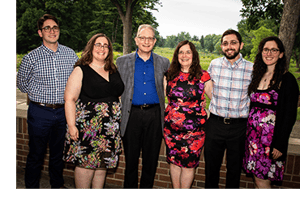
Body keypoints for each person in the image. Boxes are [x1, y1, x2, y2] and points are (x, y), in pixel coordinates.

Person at [17, 14, 79, 189]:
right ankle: (32, 189)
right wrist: (40, 95)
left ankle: (57, 186)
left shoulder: (70, 54)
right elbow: (22, 84)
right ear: (40, 32)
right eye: (47, 28)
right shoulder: (31, 57)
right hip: (40, 113)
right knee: (36, 154)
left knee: (58, 154)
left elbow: (77, 81)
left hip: (63, 112)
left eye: (55, 27)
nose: (52, 31)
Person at [63, 33, 124, 189]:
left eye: (105, 45)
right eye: (98, 44)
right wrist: (71, 126)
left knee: (101, 166)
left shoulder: (112, 69)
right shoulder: (81, 69)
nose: (102, 48)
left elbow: (117, 95)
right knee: (86, 165)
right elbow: (69, 98)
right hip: (88, 129)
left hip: (109, 130)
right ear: (91, 47)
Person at [116, 24, 170, 189]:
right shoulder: (122, 61)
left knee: (151, 161)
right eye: (142, 37)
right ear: (136, 40)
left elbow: (170, 88)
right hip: (131, 115)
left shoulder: (164, 62)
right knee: (131, 161)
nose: (146, 41)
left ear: (154, 41)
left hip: (154, 115)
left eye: (150, 38)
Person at [242, 36, 299, 189]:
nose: (269, 53)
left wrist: (280, 144)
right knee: (256, 178)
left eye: (274, 50)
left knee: (262, 181)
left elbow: (289, 115)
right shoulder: (257, 76)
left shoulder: (287, 80)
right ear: (261, 52)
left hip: (270, 141)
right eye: (266, 50)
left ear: (281, 54)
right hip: (253, 139)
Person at [204, 29, 253, 189]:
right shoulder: (214, 64)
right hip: (215, 124)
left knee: (234, 172)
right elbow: (205, 87)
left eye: (233, 42)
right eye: (225, 43)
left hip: (239, 127)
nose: (229, 46)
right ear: (221, 46)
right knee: (211, 170)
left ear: (241, 45)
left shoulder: (252, 69)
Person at [163, 40, 212, 189]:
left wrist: (206, 112)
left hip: (194, 133)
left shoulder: (203, 76)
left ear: (194, 55)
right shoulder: (169, 75)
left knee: (189, 165)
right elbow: (166, 99)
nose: (184, 55)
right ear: (177, 55)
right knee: (174, 162)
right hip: (171, 131)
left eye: (188, 52)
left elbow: (216, 100)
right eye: (181, 52)